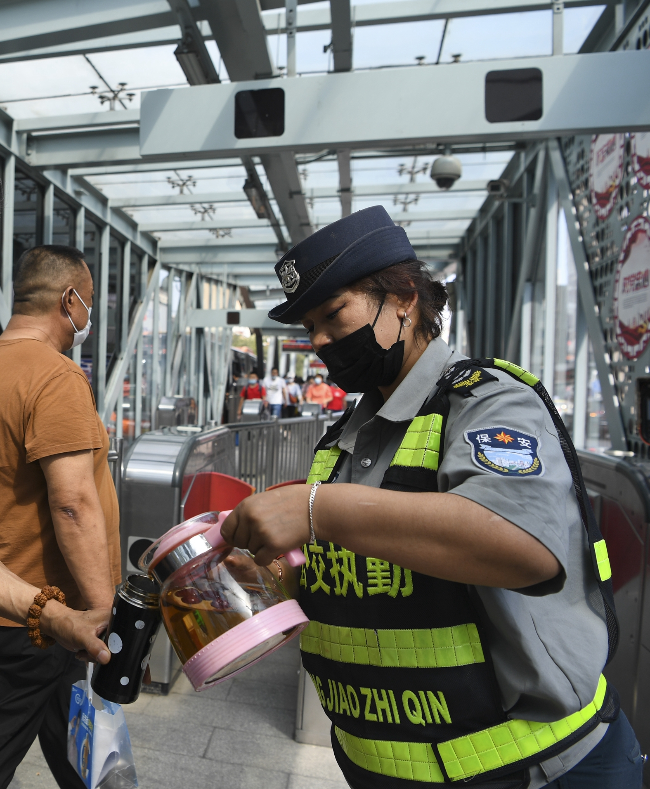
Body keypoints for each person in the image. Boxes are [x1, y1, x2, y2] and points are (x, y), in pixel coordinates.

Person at [221, 206, 642, 789]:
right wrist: (274, 578)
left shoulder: (489, 403)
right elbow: (379, 583)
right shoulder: (344, 438)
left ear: (404, 298)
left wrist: (317, 510)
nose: (318, 339)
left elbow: (525, 547)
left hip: (526, 770)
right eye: (308, 325)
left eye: (333, 313)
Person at [0, 245, 121, 789]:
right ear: (70, 300)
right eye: (88, 305)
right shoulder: (56, 377)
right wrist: (102, 614)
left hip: (31, 615)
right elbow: (72, 503)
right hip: (37, 627)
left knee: (84, 755)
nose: (86, 319)